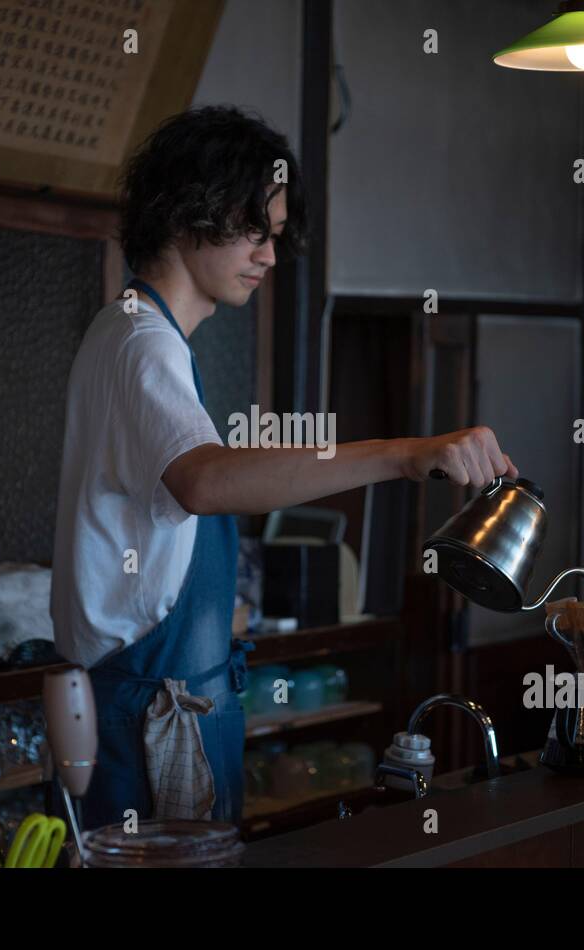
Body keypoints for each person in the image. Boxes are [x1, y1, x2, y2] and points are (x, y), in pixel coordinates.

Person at [50, 105, 518, 829]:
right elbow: (204, 480)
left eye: (274, 235)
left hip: (174, 706)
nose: (270, 256)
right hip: (147, 722)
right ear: (186, 211)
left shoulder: (141, 335)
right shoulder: (144, 343)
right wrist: (404, 454)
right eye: (254, 231)